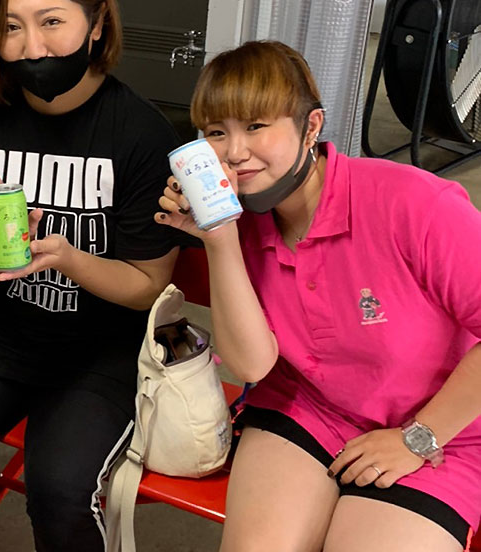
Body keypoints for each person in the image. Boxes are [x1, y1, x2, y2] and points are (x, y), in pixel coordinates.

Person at [157, 40, 481, 552]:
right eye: (217, 132)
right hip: (309, 405)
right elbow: (251, 366)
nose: (234, 152)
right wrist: (219, 238)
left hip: (445, 428)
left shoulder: (415, 203)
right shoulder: (242, 220)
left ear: (311, 127)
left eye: (256, 126)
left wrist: (419, 438)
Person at [0, 0, 189, 549]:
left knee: (60, 490)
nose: (32, 48)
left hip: (104, 346)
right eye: (11, 26)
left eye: (52, 21)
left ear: (97, 23)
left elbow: (148, 286)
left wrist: (67, 258)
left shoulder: (141, 134)